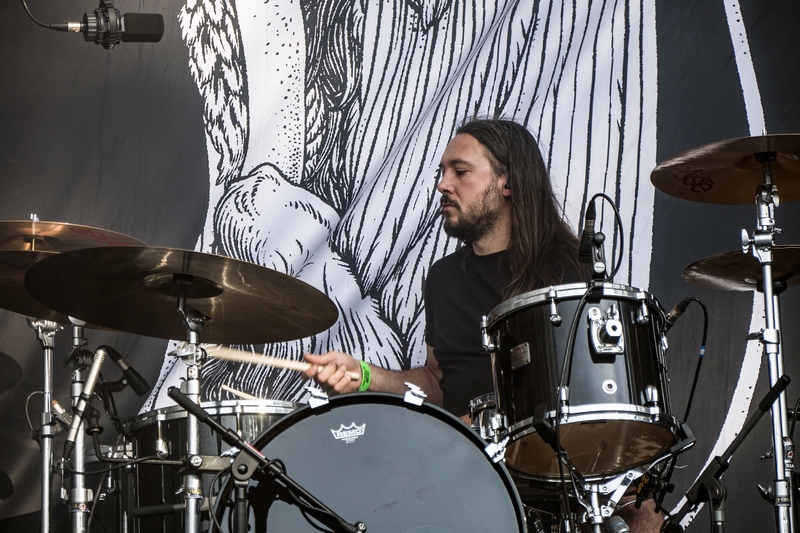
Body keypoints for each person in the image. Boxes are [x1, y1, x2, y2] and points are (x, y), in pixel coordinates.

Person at [302, 118, 662, 532]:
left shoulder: (568, 269)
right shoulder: (444, 279)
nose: (442, 185)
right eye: (441, 172)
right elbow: (438, 382)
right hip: (464, 474)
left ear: (507, 183)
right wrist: (365, 375)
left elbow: (599, 403)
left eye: (460, 171)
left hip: (561, 477)